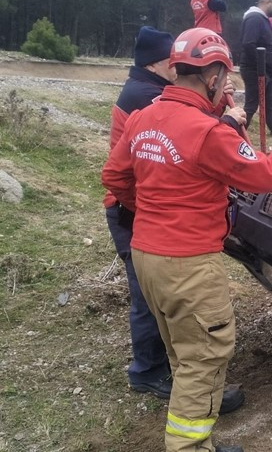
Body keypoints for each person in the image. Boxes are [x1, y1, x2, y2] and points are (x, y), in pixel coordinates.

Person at [102, 28, 272, 452]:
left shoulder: (145, 116)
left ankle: (193, 436)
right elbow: (264, 176)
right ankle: (188, 447)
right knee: (205, 356)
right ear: (211, 75)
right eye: (223, 78)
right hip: (188, 263)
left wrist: (153, 209)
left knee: (182, 350)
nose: (225, 87)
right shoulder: (208, 133)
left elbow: (114, 177)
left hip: (146, 255)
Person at [105, 26, 174, 400]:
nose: (179, 68)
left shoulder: (144, 88)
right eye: (174, 61)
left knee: (154, 291)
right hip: (129, 209)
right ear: (158, 63)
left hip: (132, 206)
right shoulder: (147, 96)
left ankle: (157, 363)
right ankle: (147, 370)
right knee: (147, 295)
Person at [239, 0, 272, 138]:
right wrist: (261, 68)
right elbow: (248, 44)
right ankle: (237, 135)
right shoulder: (254, 18)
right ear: (266, 1)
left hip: (267, 71)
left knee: (269, 106)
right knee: (251, 106)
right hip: (255, 71)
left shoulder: (262, 19)